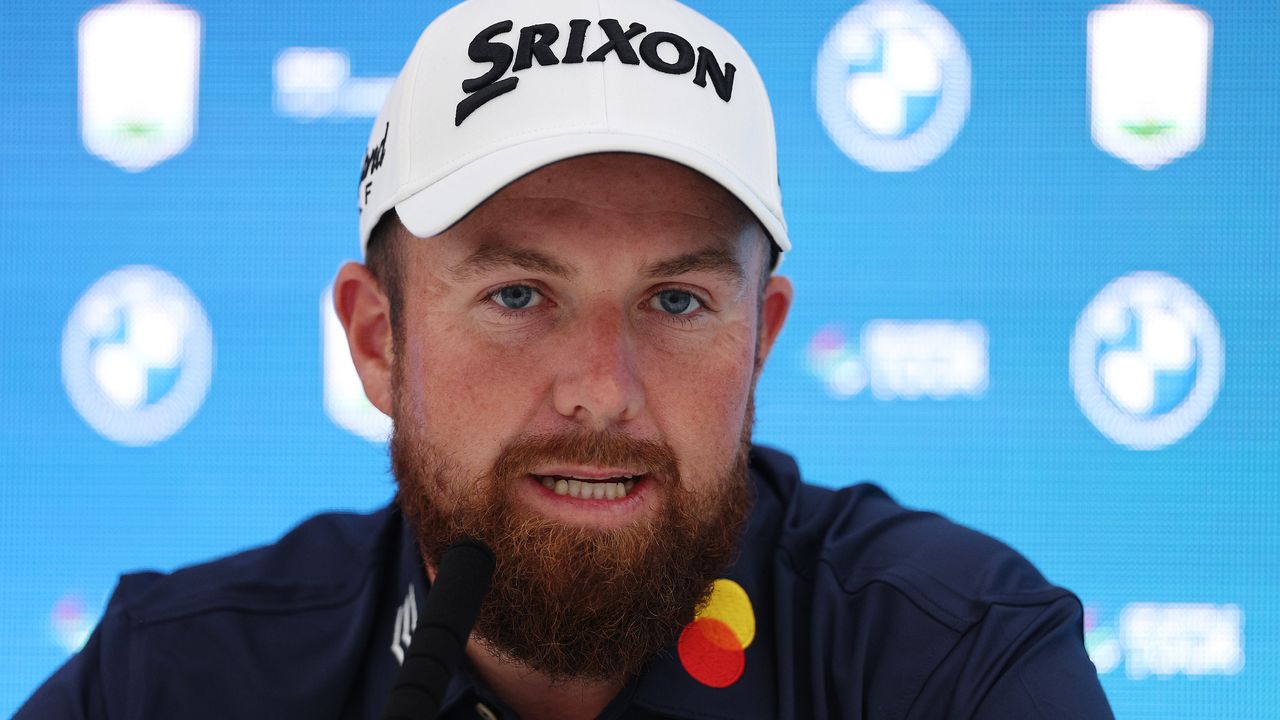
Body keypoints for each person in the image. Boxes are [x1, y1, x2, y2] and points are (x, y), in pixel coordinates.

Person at [19, 0, 1114, 717]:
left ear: (760, 342)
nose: (601, 389)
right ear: (377, 340)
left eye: (675, 300)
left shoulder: (951, 664)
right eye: (516, 295)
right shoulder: (172, 681)